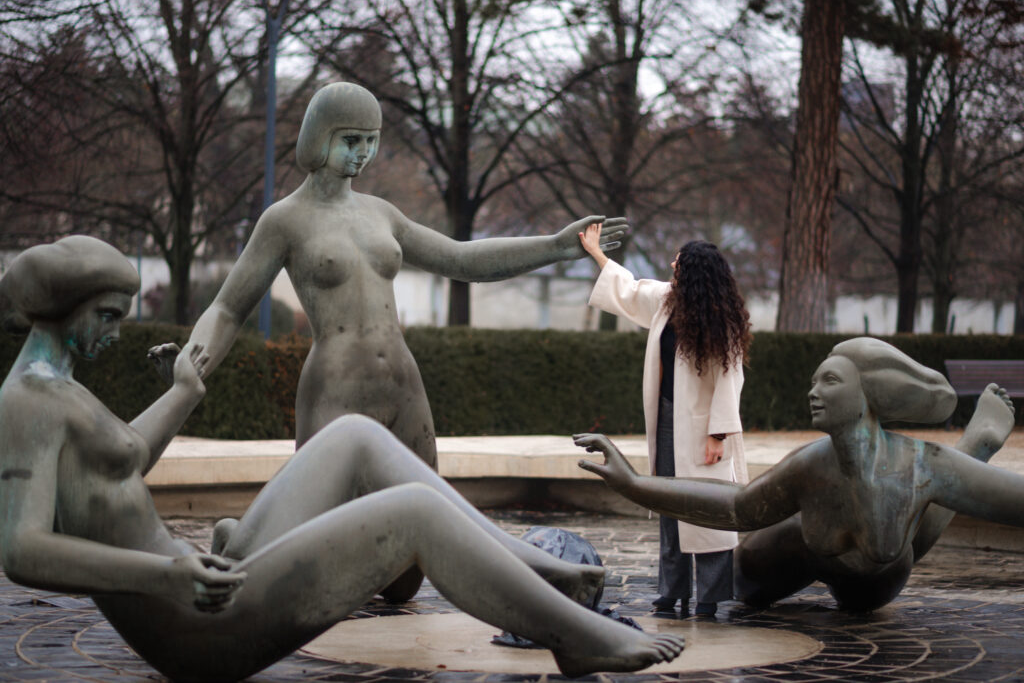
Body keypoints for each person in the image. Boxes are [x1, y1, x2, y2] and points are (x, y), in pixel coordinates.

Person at [0, 236, 683, 681]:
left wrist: (183, 392)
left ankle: (537, 569)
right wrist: (165, 576)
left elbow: (123, 463)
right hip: (193, 626)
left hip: (207, 579)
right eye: (108, 317)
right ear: (64, 309)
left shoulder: (58, 387)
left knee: (354, 436)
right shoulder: (27, 402)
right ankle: (573, 636)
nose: (116, 333)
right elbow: (22, 551)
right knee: (411, 512)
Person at [186, 82, 627, 601]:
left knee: (403, 583)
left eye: (371, 141)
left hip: (402, 388)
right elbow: (227, 308)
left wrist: (553, 246)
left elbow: (461, 258)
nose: (362, 153)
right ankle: (238, 541)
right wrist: (193, 362)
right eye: (351, 140)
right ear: (318, 138)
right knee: (317, 568)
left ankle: (260, 545)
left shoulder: (382, 214)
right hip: (335, 394)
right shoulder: (284, 220)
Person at [575, 337, 1021, 612]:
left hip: (873, 587)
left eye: (829, 381)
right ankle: (971, 454)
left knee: (909, 513)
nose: (813, 392)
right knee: (747, 575)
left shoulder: (922, 461)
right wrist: (634, 483)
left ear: (868, 395)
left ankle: (975, 447)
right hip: (790, 557)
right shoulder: (809, 465)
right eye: (813, 382)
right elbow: (738, 506)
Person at [578, 226, 751, 618]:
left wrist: (718, 434)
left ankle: (709, 597)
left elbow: (730, 380)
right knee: (669, 504)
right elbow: (629, 289)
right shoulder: (666, 301)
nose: (673, 264)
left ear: (695, 273)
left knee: (708, 511)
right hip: (668, 419)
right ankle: (672, 591)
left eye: (679, 261)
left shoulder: (721, 322)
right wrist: (597, 253)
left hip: (706, 429)